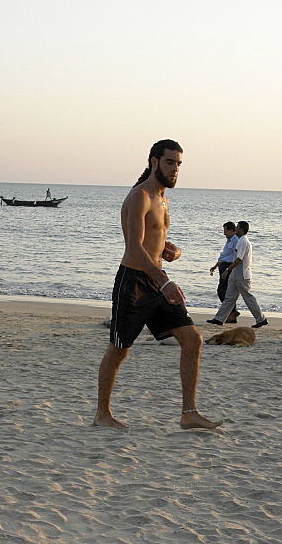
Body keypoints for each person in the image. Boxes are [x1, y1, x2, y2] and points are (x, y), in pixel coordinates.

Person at [93, 140, 222, 432]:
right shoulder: (140, 196)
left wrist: (170, 250)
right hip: (134, 284)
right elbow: (134, 248)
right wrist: (165, 281)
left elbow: (154, 241)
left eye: (178, 164)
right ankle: (102, 413)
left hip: (157, 283)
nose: (175, 169)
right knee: (119, 350)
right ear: (154, 162)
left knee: (193, 340)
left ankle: (189, 413)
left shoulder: (163, 198)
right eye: (169, 163)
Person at [206, 221, 268, 328]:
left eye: (238, 228)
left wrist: (227, 270)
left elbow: (239, 259)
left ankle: (261, 319)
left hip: (242, 275)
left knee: (248, 298)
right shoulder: (239, 241)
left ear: (242, 230)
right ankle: (219, 319)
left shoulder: (243, 241)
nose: (236, 230)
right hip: (235, 275)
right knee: (229, 298)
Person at [209, 221, 240, 322]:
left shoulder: (236, 240)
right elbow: (225, 255)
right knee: (226, 291)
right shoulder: (229, 240)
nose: (224, 233)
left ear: (232, 230)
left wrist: (228, 270)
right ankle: (231, 314)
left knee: (223, 291)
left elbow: (236, 257)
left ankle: (232, 312)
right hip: (223, 265)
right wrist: (216, 265)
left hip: (228, 267)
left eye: (226, 231)